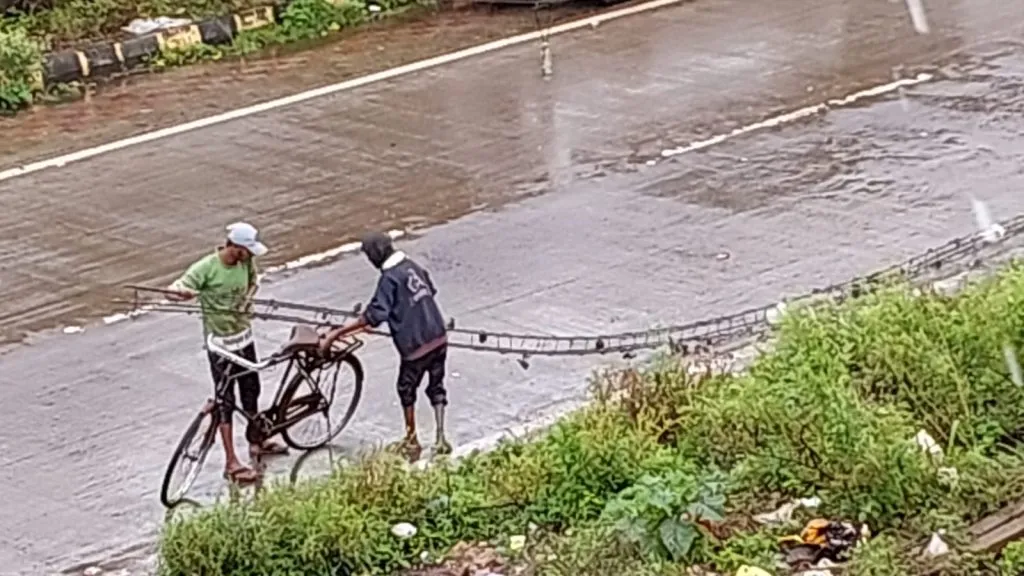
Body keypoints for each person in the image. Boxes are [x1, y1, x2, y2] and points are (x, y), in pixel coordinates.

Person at [168, 222, 287, 484]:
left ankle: (257, 439)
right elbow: (178, 288)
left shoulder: (246, 264)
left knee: (251, 389)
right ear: (235, 247)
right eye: (248, 250)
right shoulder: (207, 267)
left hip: (243, 338)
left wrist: (247, 301)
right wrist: (180, 294)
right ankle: (231, 461)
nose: (251, 256)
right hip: (221, 345)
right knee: (226, 401)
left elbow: (254, 283)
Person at [321, 232, 451, 461]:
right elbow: (428, 292)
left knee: (406, 388)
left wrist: (337, 334)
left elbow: (373, 314)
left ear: (376, 255)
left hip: (416, 345)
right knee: (436, 385)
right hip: (438, 336)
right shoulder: (412, 266)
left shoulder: (389, 278)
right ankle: (440, 438)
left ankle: (412, 439)